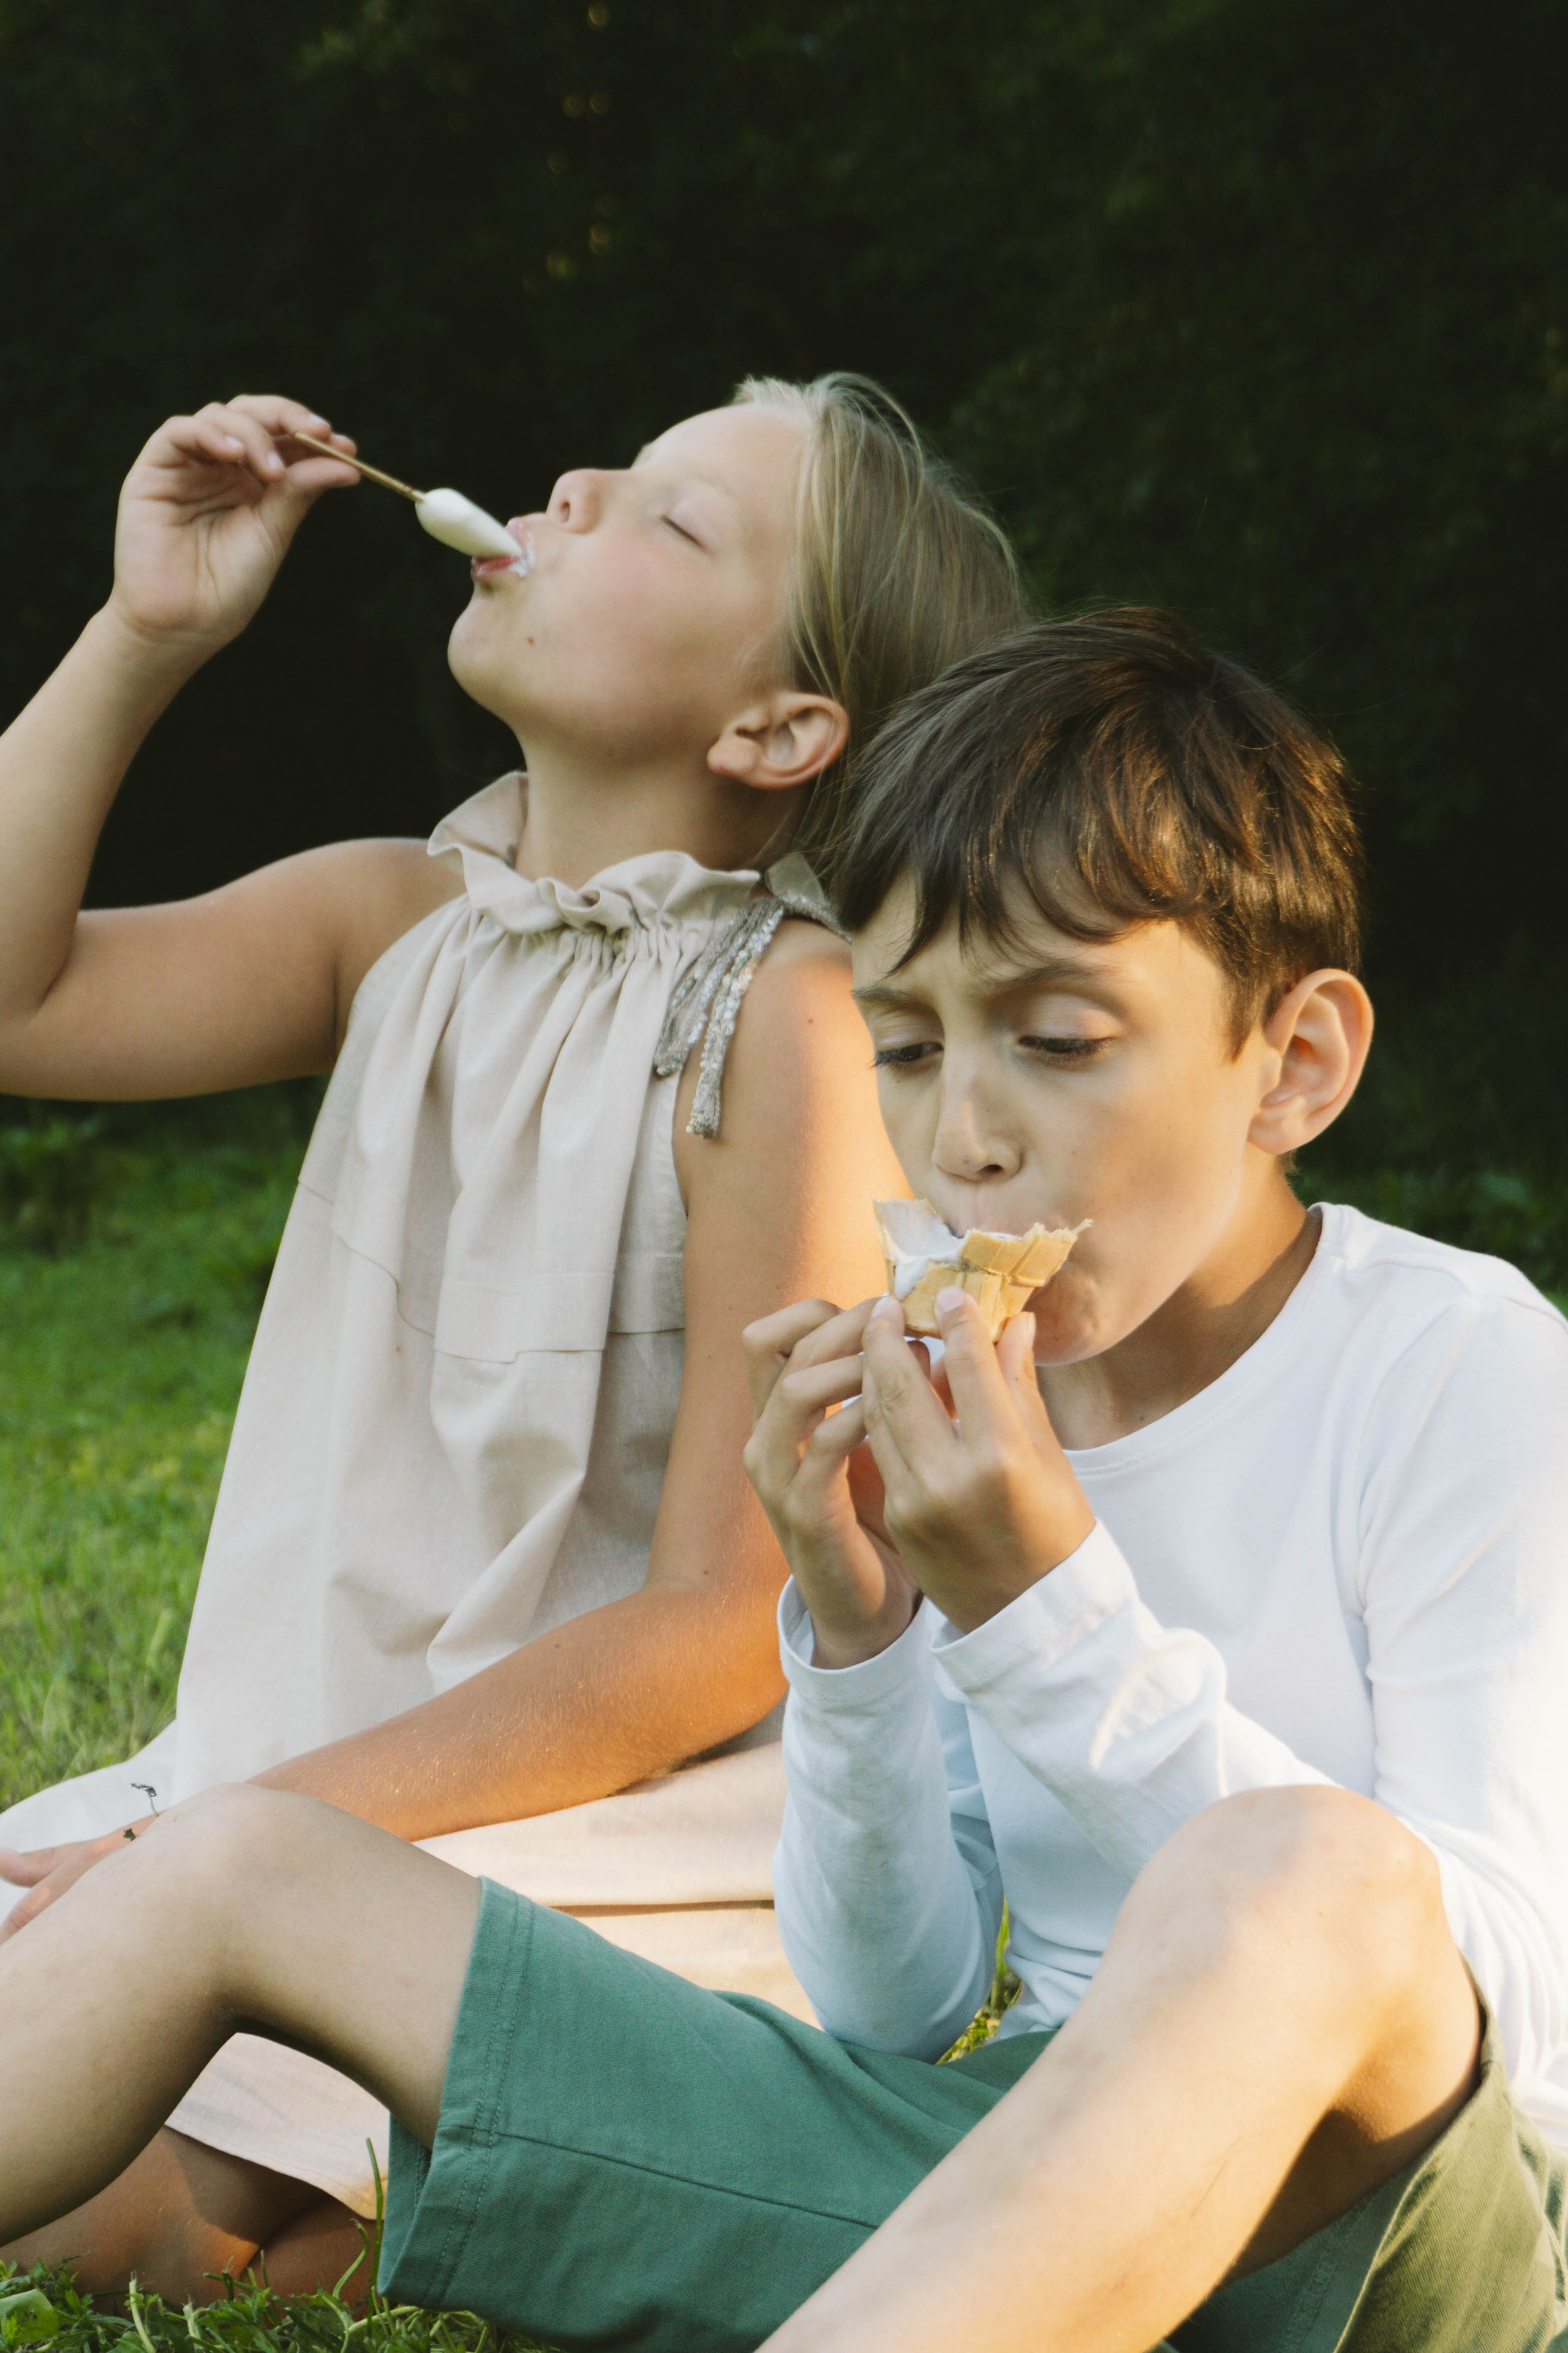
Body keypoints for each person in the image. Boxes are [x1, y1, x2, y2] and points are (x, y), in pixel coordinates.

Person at [6, 609, 1567, 2352]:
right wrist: (861, 1636)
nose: (965, 1132)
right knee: (239, 1860)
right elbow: (891, 2009)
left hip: (1378, 2246)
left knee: (1311, 1870)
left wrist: (1048, 1601)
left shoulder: (1457, 1360)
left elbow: (1489, 1989)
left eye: (1057, 1040)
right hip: (987, 2204)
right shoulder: (978, 1410)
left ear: (1294, 1062)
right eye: (908, 1046)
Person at [0, 376, 1027, 2298]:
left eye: (668, 518)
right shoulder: (398, 918)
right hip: (284, 1776)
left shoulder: (779, 1017)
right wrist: (145, 637)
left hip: (595, 1808)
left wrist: (243, 1834)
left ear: (779, 724)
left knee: (125, 2193)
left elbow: (723, 1626)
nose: (570, 485)